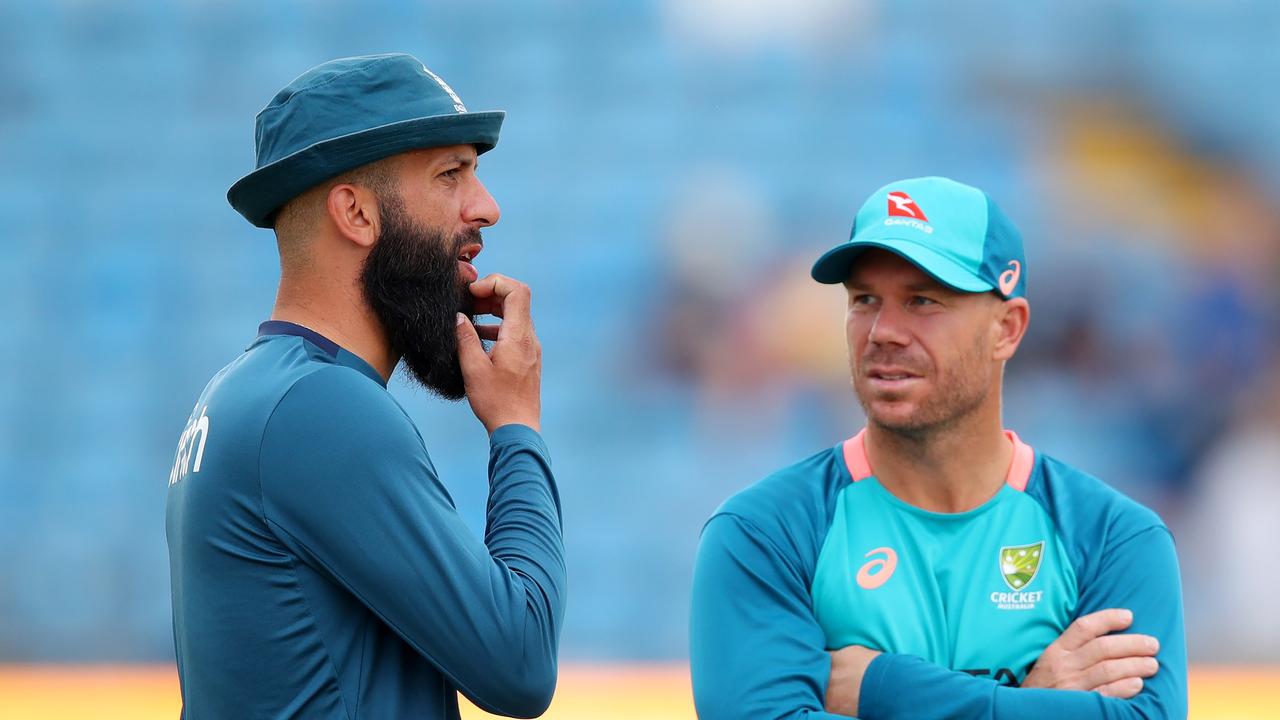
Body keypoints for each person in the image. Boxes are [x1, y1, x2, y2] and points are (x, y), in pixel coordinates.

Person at [690, 177, 1187, 719]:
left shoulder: (1112, 537)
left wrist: (883, 687)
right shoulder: (766, 531)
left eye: (923, 300)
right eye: (865, 300)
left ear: (1008, 329)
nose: (882, 331)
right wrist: (1028, 705)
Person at [165, 54, 565, 719]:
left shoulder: (241, 395)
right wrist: (517, 427)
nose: (487, 208)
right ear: (355, 213)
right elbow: (520, 664)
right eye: (451, 174)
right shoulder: (320, 408)